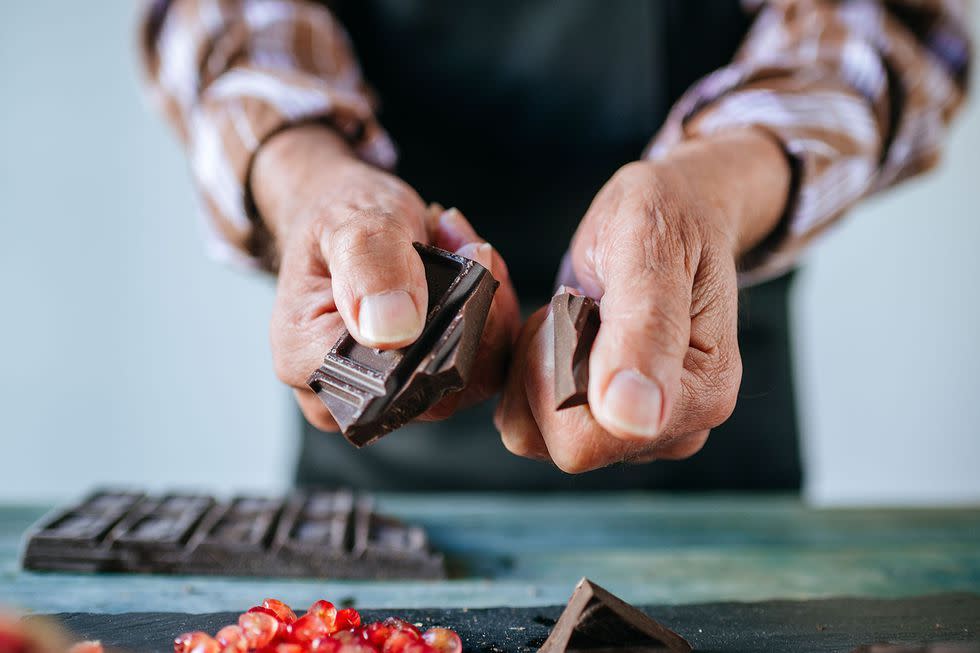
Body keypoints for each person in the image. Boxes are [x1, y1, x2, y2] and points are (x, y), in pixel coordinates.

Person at [139, 0, 971, 491]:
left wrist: (716, 186)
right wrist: (310, 179)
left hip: (704, 413)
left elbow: (891, 27)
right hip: (376, 478)